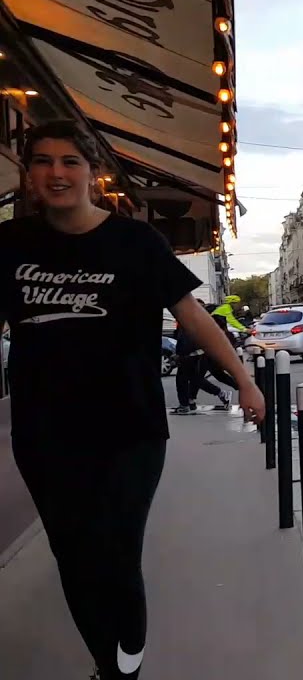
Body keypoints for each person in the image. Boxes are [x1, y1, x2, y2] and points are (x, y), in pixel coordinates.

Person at [0, 120, 265, 680]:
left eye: (70, 161)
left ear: (92, 171)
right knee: (73, 557)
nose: (56, 173)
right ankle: (108, 662)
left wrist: (243, 378)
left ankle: (125, 671)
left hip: (130, 427)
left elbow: (191, 316)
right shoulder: (11, 245)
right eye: (43, 161)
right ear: (28, 174)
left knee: (117, 557)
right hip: (44, 431)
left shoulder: (135, 242)